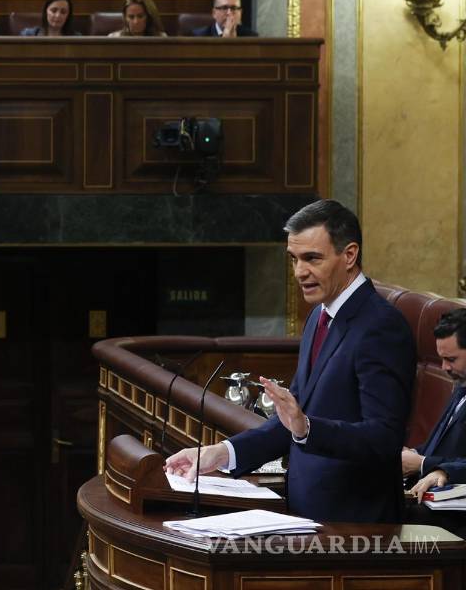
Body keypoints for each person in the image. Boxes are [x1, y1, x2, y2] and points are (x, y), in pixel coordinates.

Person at [165, 200, 416, 523]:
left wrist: (308, 428)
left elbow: (384, 438)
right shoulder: (318, 317)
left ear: (349, 255)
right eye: (294, 259)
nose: (299, 272)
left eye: (312, 258)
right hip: (308, 515)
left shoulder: (381, 326)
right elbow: (290, 422)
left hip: (356, 525)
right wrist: (221, 453)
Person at [405, 309, 466, 495]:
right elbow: (443, 449)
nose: (444, 367)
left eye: (451, 359)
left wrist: (427, 465)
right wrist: (413, 455)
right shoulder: (461, 385)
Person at [191, 0, 258, 38]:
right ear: (214, 13)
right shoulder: (199, 36)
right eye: (224, 8)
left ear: (240, 13)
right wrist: (225, 41)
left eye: (234, 8)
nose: (229, 13)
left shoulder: (251, 37)